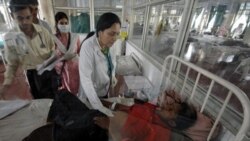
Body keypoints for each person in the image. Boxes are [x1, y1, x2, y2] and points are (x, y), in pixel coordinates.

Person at [0, 0, 55, 99]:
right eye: (20, 18)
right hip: (32, 77)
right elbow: (12, 64)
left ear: (32, 15)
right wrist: (6, 84)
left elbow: (53, 51)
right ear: (12, 16)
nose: (25, 22)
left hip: (49, 72)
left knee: (55, 101)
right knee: (41, 103)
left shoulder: (43, 32)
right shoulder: (11, 38)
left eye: (28, 17)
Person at [94, 90, 197, 141]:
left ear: (171, 122)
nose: (165, 106)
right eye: (169, 104)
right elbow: (134, 107)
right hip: (111, 115)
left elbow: (126, 136)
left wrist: (110, 127)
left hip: (109, 130)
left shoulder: (160, 132)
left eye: (170, 110)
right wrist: (111, 104)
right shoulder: (153, 110)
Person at [78, 12, 121, 117]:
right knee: (92, 118)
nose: (115, 38)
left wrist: (112, 75)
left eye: (117, 34)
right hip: (91, 94)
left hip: (104, 90)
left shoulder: (111, 44)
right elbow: (86, 80)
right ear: (100, 32)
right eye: (111, 33)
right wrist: (98, 106)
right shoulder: (88, 47)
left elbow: (113, 61)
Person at [53, 12, 80, 95]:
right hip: (62, 72)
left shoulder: (75, 37)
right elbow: (52, 57)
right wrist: (63, 58)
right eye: (61, 23)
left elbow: (79, 51)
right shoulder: (53, 39)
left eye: (66, 23)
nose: (64, 25)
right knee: (65, 95)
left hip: (75, 71)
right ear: (57, 24)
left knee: (77, 94)